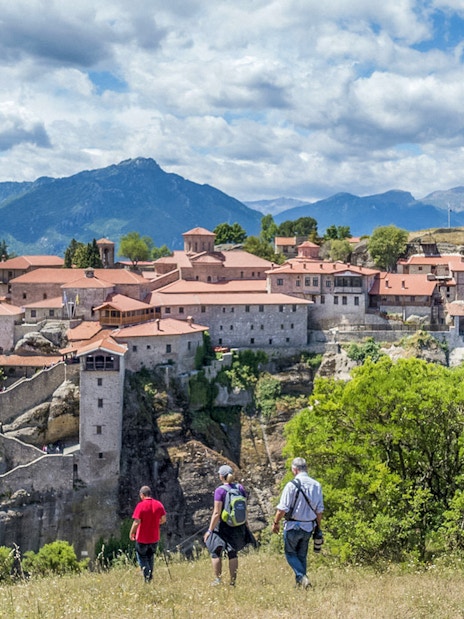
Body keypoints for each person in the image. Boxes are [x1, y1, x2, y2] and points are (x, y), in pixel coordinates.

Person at [271, 457, 324, 589]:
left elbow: (282, 508)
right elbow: (319, 511)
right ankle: (300, 584)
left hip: (293, 526)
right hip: (308, 527)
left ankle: (302, 577)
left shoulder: (291, 485)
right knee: (302, 555)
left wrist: (275, 522)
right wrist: (318, 527)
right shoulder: (316, 485)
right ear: (306, 468)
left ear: (294, 470)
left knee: (290, 553)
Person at [203, 464, 252, 587]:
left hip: (223, 526)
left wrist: (209, 530)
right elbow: (245, 507)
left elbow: (216, 513)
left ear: (221, 476)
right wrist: (245, 522)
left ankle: (218, 580)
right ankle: (233, 582)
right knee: (233, 553)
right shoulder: (240, 488)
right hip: (237, 525)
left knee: (215, 551)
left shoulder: (220, 491)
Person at [130, 485, 167, 583]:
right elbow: (163, 519)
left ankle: (148, 578)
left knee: (142, 558)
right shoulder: (159, 504)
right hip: (154, 538)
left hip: (142, 538)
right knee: (150, 557)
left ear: (142, 495)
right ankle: (150, 575)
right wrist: (155, 522)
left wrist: (132, 533)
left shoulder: (140, 505)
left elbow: (136, 522)